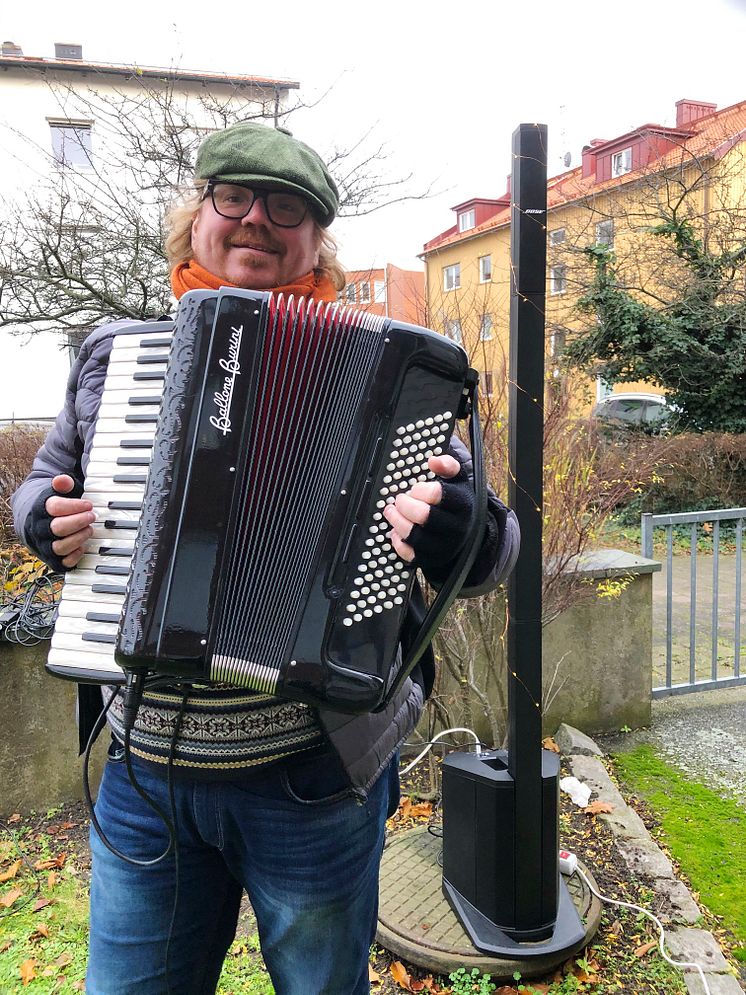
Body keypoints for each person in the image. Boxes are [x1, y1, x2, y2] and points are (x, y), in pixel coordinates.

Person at [12, 122, 520, 995]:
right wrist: (40, 520)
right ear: (196, 218)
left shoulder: (394, 376)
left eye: (286, 208)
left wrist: (458, 530)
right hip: (144, 777)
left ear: (315, 240)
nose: (256, 220)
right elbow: (43, 483)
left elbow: (493, 550)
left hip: (311, 783)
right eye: (234, 197)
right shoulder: (119, 359)